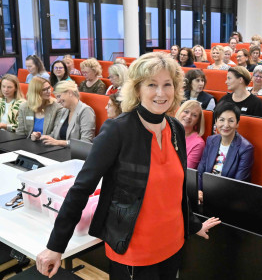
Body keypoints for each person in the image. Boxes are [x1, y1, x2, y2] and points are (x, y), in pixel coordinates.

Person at [36, 52, 220, 279]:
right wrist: (56, 246)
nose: (161, 93)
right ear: (137, 89)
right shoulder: (117, 130)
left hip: (173, 243)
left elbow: (177, 190)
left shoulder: (176, 128)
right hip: (133, 248)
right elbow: (82, 188)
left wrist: (192, 224)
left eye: (167, 84)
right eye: (152, 84)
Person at [197, 102, 254, 203]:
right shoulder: (211, 140)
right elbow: (201, 171)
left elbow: (238, 184)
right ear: (216, 122)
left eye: (231, 121)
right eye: (222, 120)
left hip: (228, 199)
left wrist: (209, 195)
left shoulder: (246, 149)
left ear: (237, 123)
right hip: (204, 194)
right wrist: (199, 191)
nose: (226, 125)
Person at [40, 81, 96, 146]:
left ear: (70, 93)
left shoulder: (86, 111)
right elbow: (54, 135)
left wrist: (59, 142)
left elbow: (85, 142)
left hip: (75, 154)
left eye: (59, 96)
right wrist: (42, 137)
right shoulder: (64, 111)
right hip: (59, 150)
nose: (57, 101)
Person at [175, 100, 206, 169]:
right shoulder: (168, 131)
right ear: (180, 112)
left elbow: (186, 170)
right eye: (186, 112)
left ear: (198, 121)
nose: (188, 116)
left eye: (194, 115)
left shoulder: (198, 143)